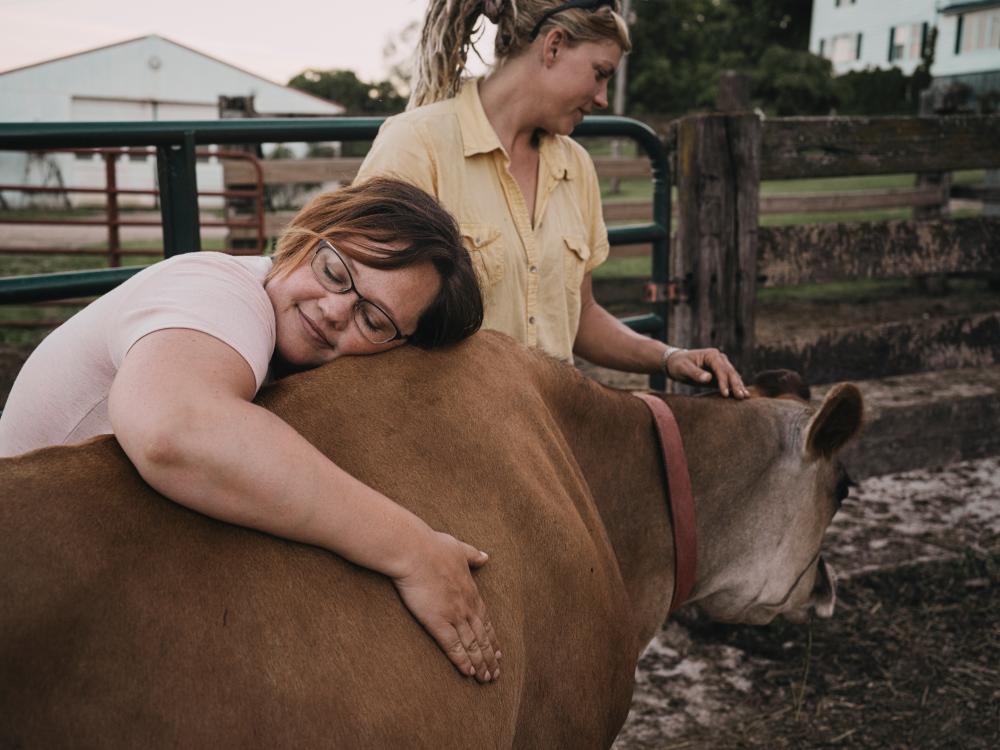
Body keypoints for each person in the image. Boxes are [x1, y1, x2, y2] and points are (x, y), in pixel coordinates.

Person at [0, 177, 502, 684]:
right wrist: (413, 550)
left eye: (373, 320)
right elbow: (174, 429)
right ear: (306, 235)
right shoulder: (218, 292)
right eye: (334, 271)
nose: (333, 310)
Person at [358, 0, 750, 398]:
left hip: (552, 434)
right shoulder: (415, 146)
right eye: (600, 75)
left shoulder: (576, 166)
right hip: (454, 433)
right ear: (554, 46)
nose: (602, 98)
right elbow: (370, 313)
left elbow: (580, 317)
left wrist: (668, 357)